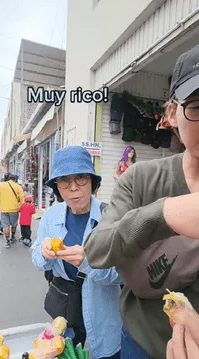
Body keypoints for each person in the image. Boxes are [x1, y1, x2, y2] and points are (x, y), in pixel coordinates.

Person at [84, 43, 199, 359]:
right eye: (198, 106)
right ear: (173, 114)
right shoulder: (142, 179)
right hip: (142, 344)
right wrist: (165, 213)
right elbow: (96, 248)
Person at [31, 145, 122, 359]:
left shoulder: (110, 218)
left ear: (92, 181)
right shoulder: (51, 216)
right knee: (64, 352)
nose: (73, 188)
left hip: (103, 309)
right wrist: (43, 252)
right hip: (65, 307)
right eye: (64, 180)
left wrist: (89, 262)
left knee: (106, 353)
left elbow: (123, 273)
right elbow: (36, 258)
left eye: (80, 177)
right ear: (57, 187)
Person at [0, 173, 24, 248]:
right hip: (14, 209)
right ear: (15, 180)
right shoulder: (18, 186)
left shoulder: (1, 185)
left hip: (4, 209)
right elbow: (22, 198)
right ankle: (13, 237)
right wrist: (22, 207)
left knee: (6, 225)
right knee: (13, 224)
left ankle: (7, 241)